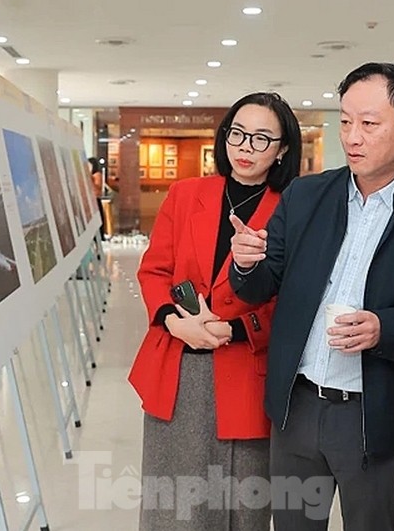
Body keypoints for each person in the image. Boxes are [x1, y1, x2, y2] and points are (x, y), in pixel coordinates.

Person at [229, 63, 394, 531]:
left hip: (371, 413)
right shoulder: (306, 195)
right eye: (346, 121)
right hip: (297, 406)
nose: (353, 136)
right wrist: (246, 263)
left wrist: (384, 328)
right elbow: (258, 287)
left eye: (369, 124)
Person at [129, 92, 302, 530]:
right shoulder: (186, 194)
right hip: (178, 368)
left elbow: (293, 298)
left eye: (262, 138)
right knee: (173, 505)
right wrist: (175, 320)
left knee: (241, 505)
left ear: (282, 149)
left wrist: (236, 330)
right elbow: (154, 271)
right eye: (238, 134)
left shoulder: (292, 210)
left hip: (246, 372)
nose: (246, 147)